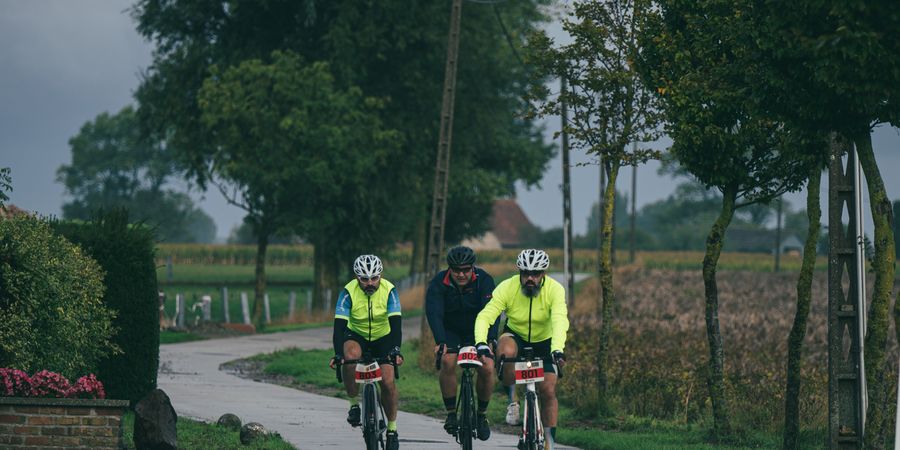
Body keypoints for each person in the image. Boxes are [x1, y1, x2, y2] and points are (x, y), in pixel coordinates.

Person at [473, 249, 569, 448]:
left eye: (535, 274)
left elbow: (560, 320)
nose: (530, 278)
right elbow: (486, 315)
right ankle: (512, 398)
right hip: (516, 335)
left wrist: (557, 349)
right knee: (506, 351)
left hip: (545, 340)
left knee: (548, 390)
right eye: (525, 273)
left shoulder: (555, 289)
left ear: (544, 274)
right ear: (520, 272)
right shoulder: (507, 287)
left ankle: (550, 442)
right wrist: (481, 342)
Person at [329, 254, 403, 450]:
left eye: (374, 278)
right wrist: (338, 354)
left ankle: (392, 429)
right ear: (356, 277)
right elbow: (338, 328)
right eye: (364, 279)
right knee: (350, 357)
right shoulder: (348, 292)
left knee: (387, 382)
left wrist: (396, 350)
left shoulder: (390, 291)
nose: (370, 283)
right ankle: (354, 404)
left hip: (384, 337)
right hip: (357, 335)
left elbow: (396, 326)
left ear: (380, 275)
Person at [425, 246, 498, 440]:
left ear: (472, 267)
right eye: (456, 270)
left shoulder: (484, 280)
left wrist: (490, 338)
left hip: (478, 330)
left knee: (488, 366)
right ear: (450, 268)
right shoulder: (439, 282)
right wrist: (440, 341)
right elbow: (434, 314)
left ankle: (481, 415)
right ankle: (451, 414)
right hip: (451, 331)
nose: (461, 274)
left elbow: (491, 312)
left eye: (465, 269)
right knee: (448, 361)